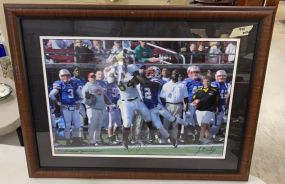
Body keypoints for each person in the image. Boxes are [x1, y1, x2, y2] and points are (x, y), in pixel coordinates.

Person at [135, 66, 188, 147]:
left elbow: (147, 84)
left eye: (152, 72)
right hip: (147, 107)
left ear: (157, 72)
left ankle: (186, 124)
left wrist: (138, 75)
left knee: (169, 120)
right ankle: (170, 138)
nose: (149, 73)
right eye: (148, 72)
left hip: (157, 106)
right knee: (154, 126)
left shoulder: (157, 80)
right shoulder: (142, 81)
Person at [106, 64, 152, 149]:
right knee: (127, 123)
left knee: (148, 117)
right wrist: (114, 74)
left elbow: (139, 82)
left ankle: (153, 137)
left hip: (137, 99)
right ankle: (124, 140)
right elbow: (109, 81)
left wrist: (134, 75)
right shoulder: (113, 73)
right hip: (125, 102)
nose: (122, 68)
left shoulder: (132, 70)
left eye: (123, 65)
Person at [49, 69, 82, 146]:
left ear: (69, 76)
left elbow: (80, 95)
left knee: (77, 124)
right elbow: (51, 95)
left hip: (74, 106)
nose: (65, 77)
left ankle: (75, 139)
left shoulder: (74, 83)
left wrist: (79, 102)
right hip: (65, 107)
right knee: (67, 125)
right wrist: (57, 102)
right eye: (63, 76)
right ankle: (67, 141)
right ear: (60, 77)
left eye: (67, 75)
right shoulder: (59, 84)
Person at [160, 69, 189, 147]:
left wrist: (186, 106)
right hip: (168, 105)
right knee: (166, 123)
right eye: (173, 74)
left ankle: (174, 139)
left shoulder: (182, 85)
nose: (175, 75)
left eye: (176, 74)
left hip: (178, 105)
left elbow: (185, 97)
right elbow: (162, 97)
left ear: (178, 75)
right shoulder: (166, 85)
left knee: (175, 124)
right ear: (171, 75)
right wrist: (162, 107)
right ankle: (164, 139)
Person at [82, 72, 111, 146]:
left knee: (99, 125)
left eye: (94, 77)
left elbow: (104, 95)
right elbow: (84, 98)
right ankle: (91, 140)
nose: (93, 78)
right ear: (88, 78)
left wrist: (108, 102)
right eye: (91, 77)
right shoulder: (87, 86)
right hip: (92, 108)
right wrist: (90, 101)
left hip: (101, 108)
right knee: (92, 125)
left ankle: (97, 140)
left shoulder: (98, 85)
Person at [192, 75, 220, 144]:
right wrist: (195, 101)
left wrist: (217, 108)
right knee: (205, 126)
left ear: (210, 82)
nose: (206, 82)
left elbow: (218, 101)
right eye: (205, 81)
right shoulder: (198, 91)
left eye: (208, 81)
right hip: (199, 110)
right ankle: (209, 139)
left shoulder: (215, 90)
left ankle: (200, 139)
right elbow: (193, 100)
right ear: (202, 82)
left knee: (204, 124)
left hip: (210, 110)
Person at [211, 70, 231, 140]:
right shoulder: (214, 84)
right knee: (216, 123)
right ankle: (212, 136)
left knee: (224, 121)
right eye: (219, 76)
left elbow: (229, 93)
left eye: (223, 76)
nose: (221, 77)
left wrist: (227, 98)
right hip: (216, 105)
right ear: (216, 77)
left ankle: (218, 134)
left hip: (224, 106)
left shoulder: (228, 84)